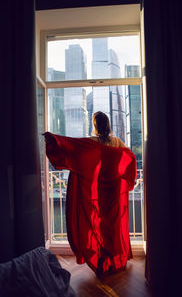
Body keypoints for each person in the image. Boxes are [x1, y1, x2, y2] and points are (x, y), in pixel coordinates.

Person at [43, 111, 137, 278]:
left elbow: (71, 146)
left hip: (98, 191)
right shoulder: (117, 142)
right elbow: (129, 158)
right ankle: (115, 260)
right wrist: (127, 180)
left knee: (97, 224)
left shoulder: (91, 143)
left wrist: (53, 139)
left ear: (95, 125)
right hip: (114, 191)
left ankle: (102, 259)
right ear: (107, 124)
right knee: (113, 226)